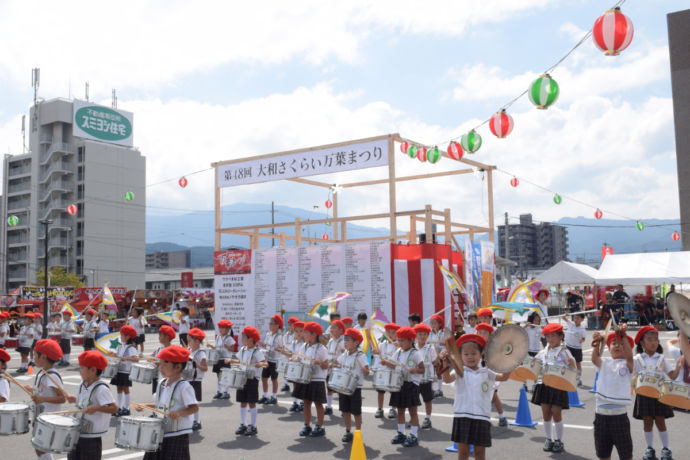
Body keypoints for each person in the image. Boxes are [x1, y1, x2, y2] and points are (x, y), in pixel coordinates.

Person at [440, 333, 510, 460]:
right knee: (463, 453)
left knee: (479, 453)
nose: (470, 357)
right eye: (466, 354)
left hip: (482, 416)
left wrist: (510, 363)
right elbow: (447, 379)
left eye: (473, 353)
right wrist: (445, 362)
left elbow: (504, 377)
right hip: (462, 415)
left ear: (481, 354)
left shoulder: (487, 371)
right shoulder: (459, 370)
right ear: (460, 356)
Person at [138, 345, 198, 460]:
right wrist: (145, 405)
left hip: (177, 435)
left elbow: (194, 408)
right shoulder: (161, 383)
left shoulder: (184, 386)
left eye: (165, 364)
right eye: (160, 364)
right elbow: (160, 406)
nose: (161, 368)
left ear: (177, 367)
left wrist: (179, 413)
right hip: (160, 432)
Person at [633, 326, 680, 460]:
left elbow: (672, 376)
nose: (654, 342)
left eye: (656, 340)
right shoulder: (637, 359)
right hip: (643, 395)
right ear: (642, 343)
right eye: (650, 339)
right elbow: (630, 373)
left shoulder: (662, 358)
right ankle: (649, 448)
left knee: (660, 421)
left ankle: (666, 449)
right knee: (647, 422)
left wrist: (678, 366)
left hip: (660, 394)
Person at [531, 323, 576, 453]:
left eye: (553, 336)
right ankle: (549, 439)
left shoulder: (564, 351)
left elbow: (572, 367)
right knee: (546, 414)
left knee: (556, 414)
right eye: (547, 336)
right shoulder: (543, 351)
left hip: (558, 386)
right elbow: (535, 363)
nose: (550, 339)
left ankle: (559, 440)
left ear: (561, 336)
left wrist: (571, 363)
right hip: (543, 385)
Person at [591, 326, 634, 460]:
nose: (617, 346)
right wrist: (597, 344)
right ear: (608, 348)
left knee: (626, 454)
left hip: (619, 416)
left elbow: (629, 356)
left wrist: (624, 335)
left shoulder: (629, 363)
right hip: (601, 416)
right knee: (603, 454)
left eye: (622, 344)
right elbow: (595, 359)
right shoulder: (604, 363)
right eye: (613, 343)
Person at [65, 351, 118, 460]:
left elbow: (114, 408)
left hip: (91, 438)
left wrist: (96, 408)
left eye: (82, 368)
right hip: (78, 433)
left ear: (93, 370)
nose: (80, 371)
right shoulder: (83, 384)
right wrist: (75, 400)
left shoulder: (101, 389)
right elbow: (85, 403)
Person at [23, 339, 66, 460]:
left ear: (43, 357)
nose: (33, 357)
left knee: (41, 448)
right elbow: (42, 390)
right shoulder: (43, 372)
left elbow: (62, 398)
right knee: (40, 448)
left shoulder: (52, 376)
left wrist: (41, 399)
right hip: (41, 416)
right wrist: (32, 389)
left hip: (49, 418)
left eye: (35, 355)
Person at [385, 325, 424, 448]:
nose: (399, 342)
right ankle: (401, 433)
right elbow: (393, 365)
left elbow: (423, 369)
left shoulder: (415, 353)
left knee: (413, 411)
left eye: (402, 340)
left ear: (411, 340)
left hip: (411, 384)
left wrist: (415, 370)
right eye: (399, 340)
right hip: (399, 384)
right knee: (400, 410)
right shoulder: (397, 352)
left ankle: (414, 435)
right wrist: (385, 363)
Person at [334, 328, 369, 442]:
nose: (345, 342)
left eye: (348, 340)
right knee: (346, 411)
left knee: (356, 412)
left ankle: (358, 432)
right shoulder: (344, 354)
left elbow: (367, 371)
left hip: (355, 387)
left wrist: (365, 370)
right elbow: (339, 364)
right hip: (343, 386)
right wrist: (334, 365)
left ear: (356, 343)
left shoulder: (360, 356)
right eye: (345, 340)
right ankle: (348, 431)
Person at [231, 326, 267, 437]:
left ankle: (253, 425)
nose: (242, 339)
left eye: (244, 337)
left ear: (251, 339)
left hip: (252, 380)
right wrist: (231, 361)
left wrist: (260, 364)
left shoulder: (257, 352)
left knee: (252, 402)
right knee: (242, 402)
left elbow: (265, 363)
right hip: (242, 378)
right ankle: (244, 424)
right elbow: (239, 361)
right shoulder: (242, 350)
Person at [295, 322, 329, 437]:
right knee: (306, 402)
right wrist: (294, 361)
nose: (303, 334)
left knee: (318, 403)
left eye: (306, 332)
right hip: (305, 378)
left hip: (317, 379)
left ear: (314, 334)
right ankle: (307, 425)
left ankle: (320, 426)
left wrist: (319, 362)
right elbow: (299, 359)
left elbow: (326, 365)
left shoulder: (321, 348)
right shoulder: (303, 346)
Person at [476, 323, 507, 427]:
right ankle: (485, 418)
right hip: (479, 375)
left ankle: (501, 416)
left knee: (492, 396)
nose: (481, 334)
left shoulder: (493, 346)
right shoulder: (475, 345)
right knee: (482, 397)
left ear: (490, 334)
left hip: (491, 375)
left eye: (484, 333)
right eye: (479, 332)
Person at [109, 325, 139, 417]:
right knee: (119, 388)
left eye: (122, 335)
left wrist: (127, 358)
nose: (120, 337)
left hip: (126, 371)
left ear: (128, 336)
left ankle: (127, 408)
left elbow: (136, 359)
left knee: (125, 388)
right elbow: (118, 356)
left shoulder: (131, 348)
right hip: (119, 370)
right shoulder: (121, 346)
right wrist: (113, 354)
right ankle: (120, 407)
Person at [373, 322, 400, 419]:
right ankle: (380, 408)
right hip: (383, 370)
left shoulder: (399, 344)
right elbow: (377, 352)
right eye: (388, 332)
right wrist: (375, 351)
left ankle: (393, 409)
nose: (390, 334)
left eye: (393, 332)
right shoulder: (382, 344)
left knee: (394, 391)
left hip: (394, 371)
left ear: (397, 333)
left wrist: (399, 346)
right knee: (380, 390)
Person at [414, 323, 438, 429]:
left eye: (424, 334)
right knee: (413, 401)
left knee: (427, 400)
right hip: (415, 379)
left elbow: (434, 363)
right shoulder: (413, 348)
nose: (422, 336)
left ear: (428, 336)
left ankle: (428, 418)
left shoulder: (430, 348)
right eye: (420, 334)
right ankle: (414, 418)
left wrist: (438, 357)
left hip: (427, 379)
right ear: (416, 335)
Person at [259, 314, 284, 405]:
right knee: (264, 378)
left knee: (274, 379)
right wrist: (259, 342)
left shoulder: (280, 336)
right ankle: (265, 396)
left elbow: (283, 349)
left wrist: (278, 349)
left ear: (278, 325)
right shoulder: (268, 334)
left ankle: (274, 396)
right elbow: (266, 346)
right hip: (267, 359)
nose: (270, 325)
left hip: (275, 360)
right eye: (269, 323)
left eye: (272, 324)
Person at [186, 328, 207, 431]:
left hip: (196, 380)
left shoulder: (200, 353)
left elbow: (205, 368)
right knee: (188, 401)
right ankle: (190, 420)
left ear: (197, 341)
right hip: (188, 378)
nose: (188, 343)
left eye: (190, 341)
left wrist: (196, 364)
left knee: (194, 402)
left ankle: (197, 421)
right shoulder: (189, 351)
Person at [324, 319, 345, 415]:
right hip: (330, 367)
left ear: (340, 330)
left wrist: (344, 351)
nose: (331, 329)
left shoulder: (343, 341)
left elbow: (346, 354)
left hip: (339, 368)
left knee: (340, 389)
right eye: (331, 327)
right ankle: (329, 407)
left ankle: (343, 408)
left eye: (334, 327)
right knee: (329, 388)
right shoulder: (331, 341)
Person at [212, 320, 236, 400]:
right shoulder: (218, 337)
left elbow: (233, 349)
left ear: (227, 330)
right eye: (220, 328)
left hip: (225, 359)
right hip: (218, 358)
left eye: (222, 328)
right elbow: (217, 348)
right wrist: (211, 347)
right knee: (218, 375)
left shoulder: (229, 338)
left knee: (225, 376)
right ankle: (219, 391)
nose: (220, 330)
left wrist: (227, 347)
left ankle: (226, 392)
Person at [286, 321, 306, 412]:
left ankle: (302, 402)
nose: (298, 333)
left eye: (301, 331)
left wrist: (297, 359)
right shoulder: (293, 342)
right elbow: (291, 354)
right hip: (295, 367)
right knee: (294, 384)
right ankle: (295, 402)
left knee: (302, 385)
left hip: (303, 367)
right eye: (296, 331)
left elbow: (304, 356)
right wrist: (284, 353)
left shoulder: (305, 344)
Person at [151, 325, 176, 394]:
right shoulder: (159, 349)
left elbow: (170, 363)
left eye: (160, 335)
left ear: (167, 337)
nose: (159, 337)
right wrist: (152, 358)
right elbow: (155, 359)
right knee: (156, 396)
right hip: (158, 377)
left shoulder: (171, 349)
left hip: (167, 378)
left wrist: (159, 363)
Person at [564, 313, 586, 386]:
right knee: (569, 362)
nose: (576, 320)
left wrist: (581, 340)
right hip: (568, 346)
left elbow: (583, 338)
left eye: (578, 318)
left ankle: (579, 378)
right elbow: (563, 318)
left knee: (578, 363)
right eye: (575, 318)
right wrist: (566, 315)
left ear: (582, 320)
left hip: (577, 348)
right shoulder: (571, 324)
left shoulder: (582, 329)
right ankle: (569, 377)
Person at [428, 315, 445, 398]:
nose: (433, 325)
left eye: (435, 323)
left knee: (438, 372)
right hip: (431, 355)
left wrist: (440, 354)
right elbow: (427, 343)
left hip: (440, 355)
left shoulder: (442, 333)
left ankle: (440, 389)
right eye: (432, 323)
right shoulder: (428, 333)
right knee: (431, 373)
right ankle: (430, 389)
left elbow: (445, 345)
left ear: (439, 324)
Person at [280, 317, 298, 392]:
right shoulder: (286, 334)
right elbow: (284, 344)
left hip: (292, 354)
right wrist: (282, 350)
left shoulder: (296, 335)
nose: (290, 326)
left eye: (292, 325)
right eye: (289, 325)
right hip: (286, 354)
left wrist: (288, 353)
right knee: (286, 369)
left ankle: (295, 388)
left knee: (293, 371)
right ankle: (286, 384)